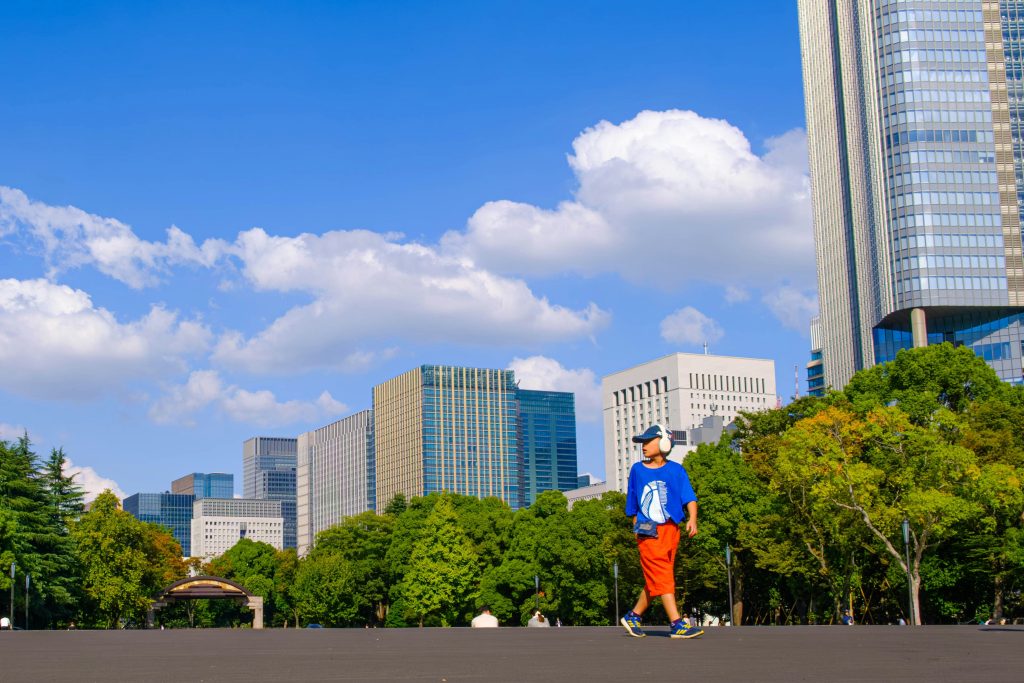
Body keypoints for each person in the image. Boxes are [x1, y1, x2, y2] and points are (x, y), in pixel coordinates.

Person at [619, 424, 702, 640]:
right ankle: (676, 624)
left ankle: (633, 616)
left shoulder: (676, 470)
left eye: (648, 441)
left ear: (663, 442)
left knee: (657, 578)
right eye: (642, 443)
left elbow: (689, 497)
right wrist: (638, 528)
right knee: (663, 576)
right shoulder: (637, 470)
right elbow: (633, 505)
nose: (644, 446)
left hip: (671, 530)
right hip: (648, 532)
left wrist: (692, 519)